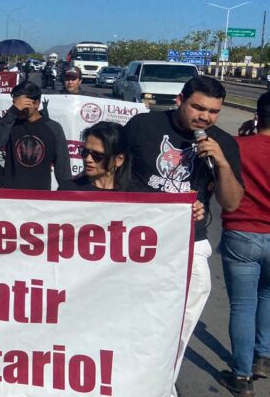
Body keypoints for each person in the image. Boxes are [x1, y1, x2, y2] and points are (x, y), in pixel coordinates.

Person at [124, 75, 244, 397]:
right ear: (180, 100)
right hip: (138, 244)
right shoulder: (143, 127)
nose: (205, 117)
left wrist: (220, 162)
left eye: (213, 111)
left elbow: (231, 202)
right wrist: (163, 205)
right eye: (198, 107)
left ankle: (160, 386)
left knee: (176, 331)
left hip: (191, 246)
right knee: (133, 322)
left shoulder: (222, 143)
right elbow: (115, 176)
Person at [218, 92, 270, 396]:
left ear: (257, 116)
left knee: (242, 304)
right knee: (267, 296)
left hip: (241, 233)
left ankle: (240, 376)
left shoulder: (237, 146)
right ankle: (262, 358)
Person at [0, 81, 71, 190]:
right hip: (9, 193)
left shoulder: (53, 128)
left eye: (24, 105)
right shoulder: (10, 123)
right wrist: (12, 112)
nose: (19, 109)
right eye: (15, 104)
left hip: (38, 196)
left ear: (36, 104)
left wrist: (66, 195)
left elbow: (63, 168)